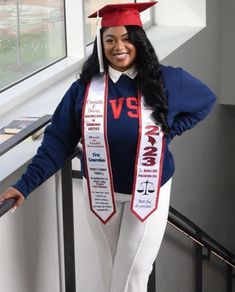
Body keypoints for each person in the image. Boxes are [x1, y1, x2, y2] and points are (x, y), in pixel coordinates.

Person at [0, 2, 216, 292]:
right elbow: (58, 141)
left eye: (127, 38)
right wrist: (23, 186)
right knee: (112, 267)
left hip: (149, 190)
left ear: (139, 40)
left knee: (134, 272)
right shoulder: (84, 89)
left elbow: (206, 100)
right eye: (110, 39)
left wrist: (169, 131)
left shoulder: (166, 80)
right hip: (102, 194)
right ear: (101, 44)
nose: (119, 47)